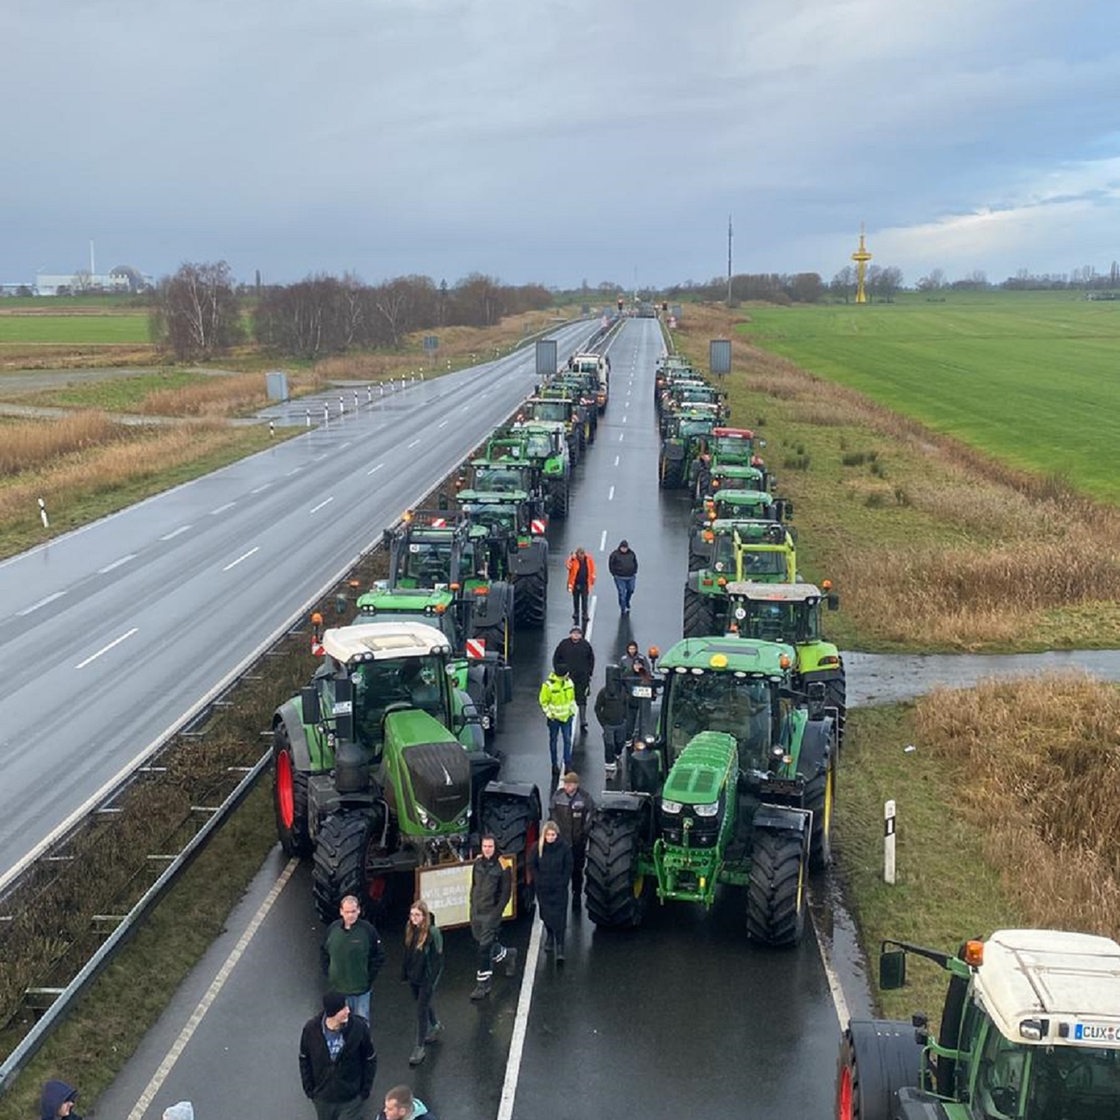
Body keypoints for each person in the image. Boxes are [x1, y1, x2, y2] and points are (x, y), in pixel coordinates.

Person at [299, 990, 377, 1120]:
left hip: (351, 1099)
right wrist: (310, 1090)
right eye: (343, 1008)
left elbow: (370, 1058)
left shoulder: (358, 1028)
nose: (348, 1011)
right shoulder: (311, 1030)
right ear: (333, 1012)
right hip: (323, 1099)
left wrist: (364, 1091)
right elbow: (304, 1059)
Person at [321, 894, 387, 1026]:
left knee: (361, 1024)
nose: (350, 915)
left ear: (359, 911)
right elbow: (324, 952)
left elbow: (379, 955)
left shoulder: (368, 930)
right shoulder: (332, 930)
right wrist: (329, 973)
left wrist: (368, 977)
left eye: (353, 911)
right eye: (347, 912)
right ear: (341, 912)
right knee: (340, 1024)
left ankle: (362, 1047)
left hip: (360, 991)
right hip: (339, 990)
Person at [469, 834, 517, 1000]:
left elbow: (506, 893)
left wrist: (496, 913)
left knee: (483, 949)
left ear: (495, 847)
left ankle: (483, 984)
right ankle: (509, 955)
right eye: (484, 846)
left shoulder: (503, 866)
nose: (487, 849)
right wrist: (472, 907)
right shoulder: (477, 863)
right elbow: (473, 886)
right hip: (477, 912)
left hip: (491, 914)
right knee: (486, 945)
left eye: (490, 846)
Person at [401, 899, 443, 1067]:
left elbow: (438, 958)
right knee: (422, 1004)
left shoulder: (433, 933)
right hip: (414, 976)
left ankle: (419, 1047)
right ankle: (435, 1025)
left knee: (420, 1010)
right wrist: (405, 973)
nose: (414, 918)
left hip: (426, 978)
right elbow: (408, 953)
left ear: (425, 916)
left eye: (417, 915)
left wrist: (431, 979)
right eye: (412, 915)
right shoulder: (411, 930)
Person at [529, 819, 573, 960]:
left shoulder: (564, 848)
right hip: (543, 889)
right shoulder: (537, 848)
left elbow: (568, 866)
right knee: (546, 914)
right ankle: (549, 936)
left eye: (553, 835)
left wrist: (563, 882)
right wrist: (538, 880)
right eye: (548, 835)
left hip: (559, 888)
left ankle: (560, 946)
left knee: (560, 917)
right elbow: (532, 864)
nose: (550, 838)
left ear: (557, 835)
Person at [550, 772, 595, 910]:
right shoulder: (558, 796)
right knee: (559, 870)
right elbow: (552, 814)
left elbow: (592, 815)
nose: (566, 786)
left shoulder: (585, 797)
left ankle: (576, 894)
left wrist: (584, 832)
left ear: (576, 785)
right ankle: (560, 896)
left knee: (577, 871)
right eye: (565, 784)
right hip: (561, 842)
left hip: (577, 842)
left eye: (569, 784)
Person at [552, 625, 595, 733]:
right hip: (567, 677)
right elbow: (556, 658)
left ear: (581, 635)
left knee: (582, 699)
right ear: (570, 634)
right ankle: (566, 718)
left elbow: (591, 660)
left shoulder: (586, 645)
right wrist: (559, 672)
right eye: (574, 633)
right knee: (567, 698)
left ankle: (583, 720)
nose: (576, 635)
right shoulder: (563, 644)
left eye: (578, 633)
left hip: (582, 677)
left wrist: (589, 673)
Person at [539, 661, 577, 777]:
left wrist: (572, 712)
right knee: (554, 741)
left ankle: (567, 764)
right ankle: (554, 764)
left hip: (567, 717)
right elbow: (543, 701)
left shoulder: (569, 683)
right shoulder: (548, 686)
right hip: (554, 719)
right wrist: (550, 715)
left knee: (567, 741)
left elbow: (571, 699)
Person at [594, 664, 629, 777]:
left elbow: (626, 705)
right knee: (609, 746)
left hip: (620, 723)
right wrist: (603, 723)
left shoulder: (623, 691)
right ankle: (609, 770)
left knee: (620, 743)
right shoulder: (603, 693)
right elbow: (597, 708)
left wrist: (625, 718)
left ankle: (617, 756)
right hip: (608, 725)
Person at [565, 546, 595, 627]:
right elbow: (568, 566)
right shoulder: (573, 560)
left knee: (584, 600)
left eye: (582, 555)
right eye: (579, 555)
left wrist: (592, 578)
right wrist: (570, 559)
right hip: (576, 583)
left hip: (585, 583)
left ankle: (585, 614)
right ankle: (576, 612)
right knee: (576, 599)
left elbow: (592, 569)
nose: (581, 557)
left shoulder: (589, 559)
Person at [607, 540, 638, 614]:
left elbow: (635, 562)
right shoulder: (615, 554)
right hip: (619, 577)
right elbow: (611, 564)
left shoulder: (632, 554)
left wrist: (634, 571)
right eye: (623, 548)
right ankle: (623, 607)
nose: (624, 549)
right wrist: (614, 574)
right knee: (622, 593)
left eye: (625, 548)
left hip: (630, 576)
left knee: (631, 590)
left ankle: (627, 601)